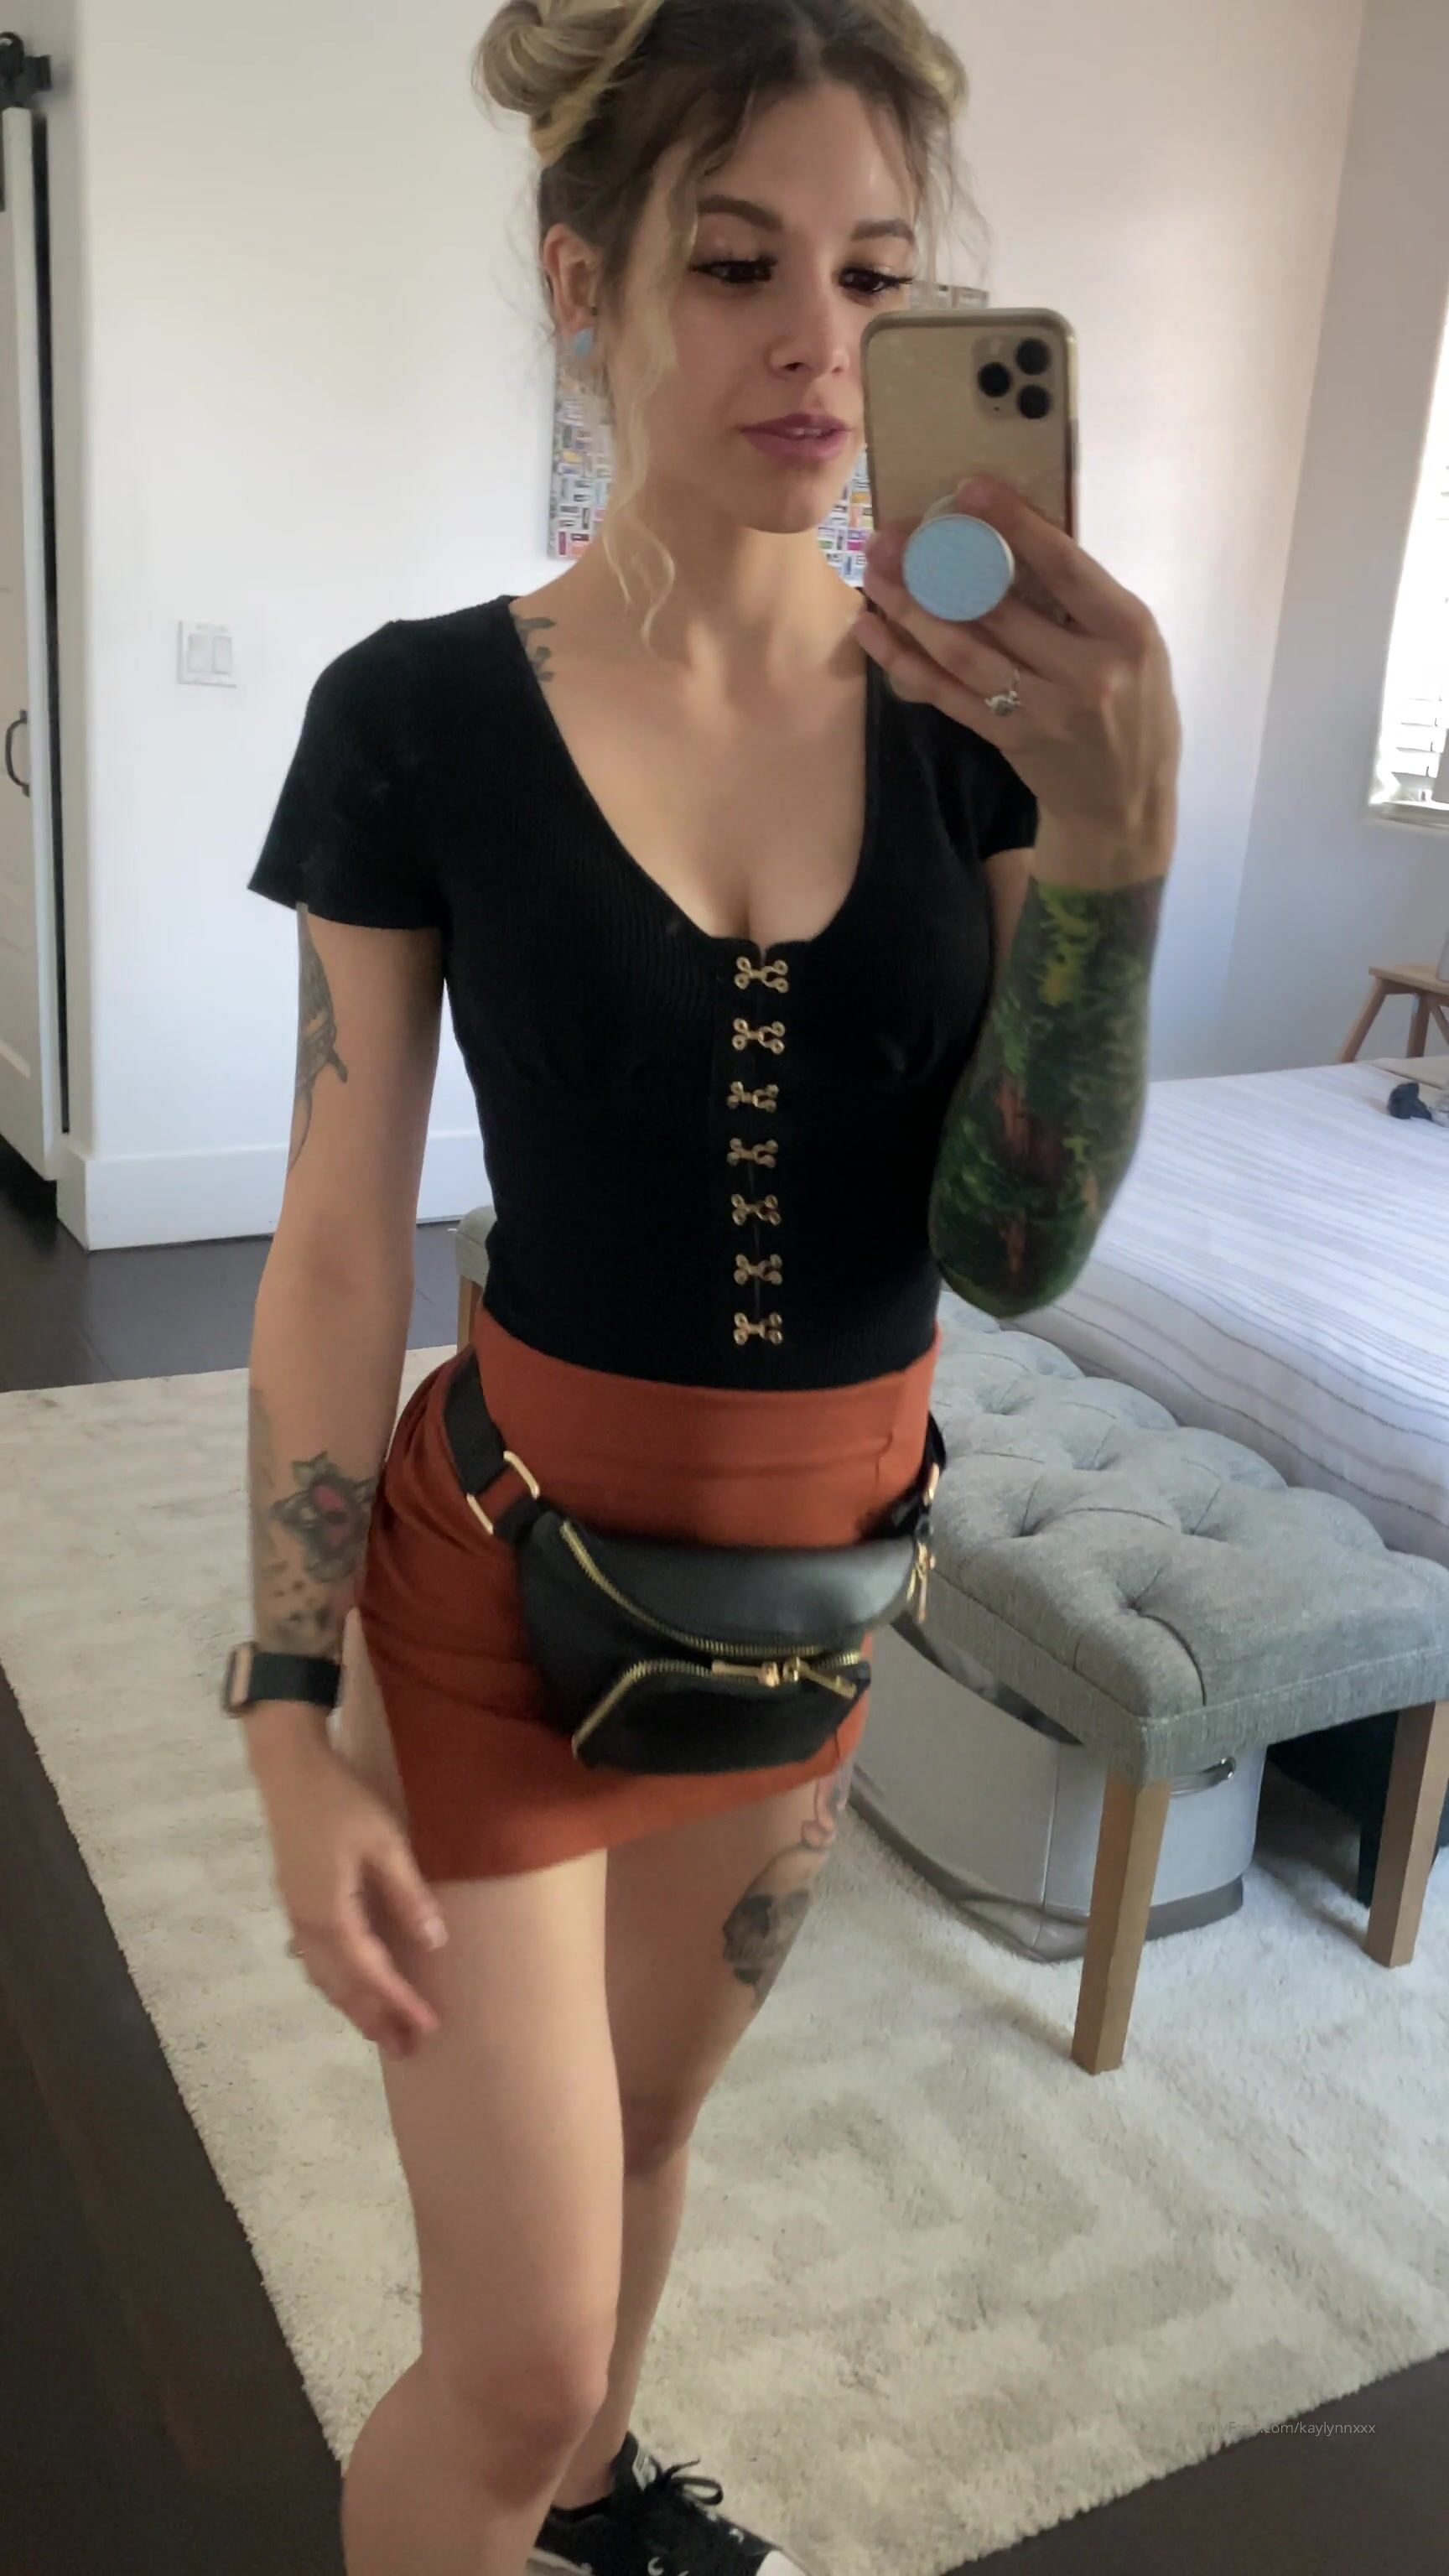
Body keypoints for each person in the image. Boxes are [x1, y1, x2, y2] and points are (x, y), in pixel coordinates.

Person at [237, 3, 1182, 2573]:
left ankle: (589, 2523)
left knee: (649, 2135)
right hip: (497, 1588)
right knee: (513, 2347)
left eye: (872, 277)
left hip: (817, 1600)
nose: (814, 345)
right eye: (737, 261)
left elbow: (1013, 1251)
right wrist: (285, 1707)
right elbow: (335, 1239)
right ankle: (535, 2466)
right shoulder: (416, 723)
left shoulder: (978, 733)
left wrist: (1117, 854)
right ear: (594, 284)